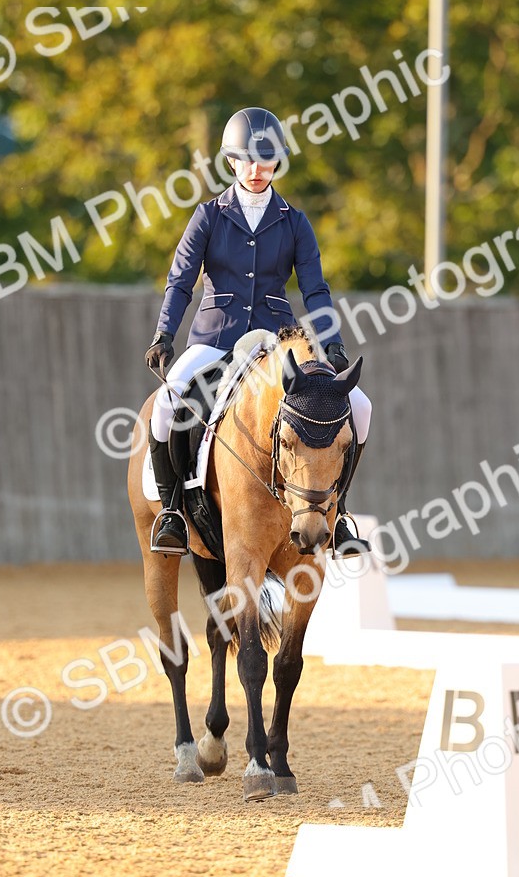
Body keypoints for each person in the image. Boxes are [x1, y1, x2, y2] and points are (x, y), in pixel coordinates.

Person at [144, 106, 372, 556]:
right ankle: (172, 511)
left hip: (275, 345)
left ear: (276, 163)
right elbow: (181, 280)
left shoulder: (294, 222)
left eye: (265, 161)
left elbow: (315, 290)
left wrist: (333, 346)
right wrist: (164, 334)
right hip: (214, 339)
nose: (255, 170)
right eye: (246, 160)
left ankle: (339, 512)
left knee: (359, 406)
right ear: (231, 161)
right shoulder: (208, 216)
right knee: (167, 403)